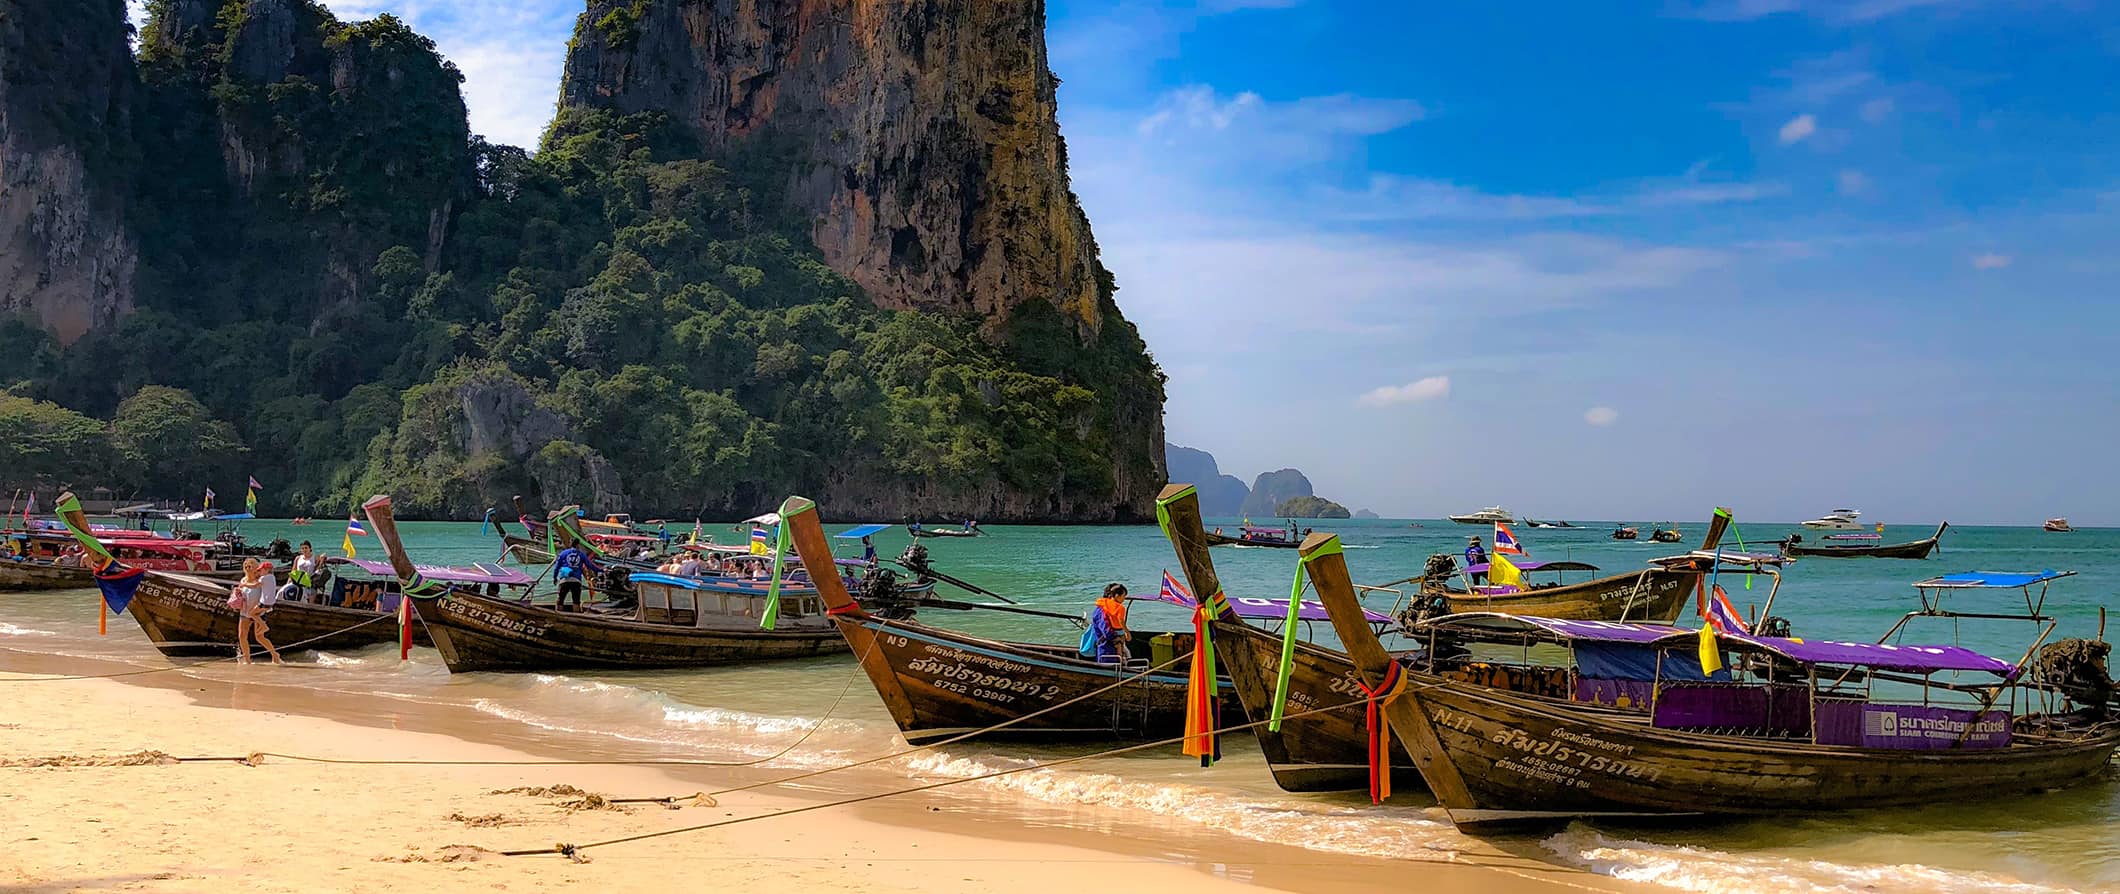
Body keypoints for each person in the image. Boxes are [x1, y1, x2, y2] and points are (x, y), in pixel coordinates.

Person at [231, 558, 283, 666]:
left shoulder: (261, 579)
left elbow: (268, 593)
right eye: (246, 566)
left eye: (250, 566)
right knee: (242, 636)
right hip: (245, 611)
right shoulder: (243, 580)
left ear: (256, 568)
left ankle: (274, 654)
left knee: (259, 637)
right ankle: (247, 660)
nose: (248, 568)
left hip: (258, 612)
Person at [1079, 583, 1131, 664]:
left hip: (1108, 650)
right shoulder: (1102, 611)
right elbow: (1107, 631)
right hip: (1107, 651)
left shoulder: (1106, 609)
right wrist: (1119, 639)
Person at [553, 544, 596, 612]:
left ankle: (558, 614)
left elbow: (557, 568)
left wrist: (555, 577)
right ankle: (577, 615)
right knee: (576, 601)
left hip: (564, 580)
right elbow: (587, 567)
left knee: (560, 600)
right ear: (578, 546)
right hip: (576, 581)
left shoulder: (563, 553)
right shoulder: (581, 555)